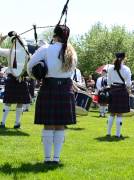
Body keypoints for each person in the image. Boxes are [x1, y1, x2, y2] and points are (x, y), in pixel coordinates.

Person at [27, 25, 77, 164]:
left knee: (48, 124)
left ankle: (47, 158)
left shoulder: (46, 49)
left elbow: (29, 66)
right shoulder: (72, 51)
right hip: (66, 89)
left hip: (49, 87)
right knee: (60, 124)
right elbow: (71, 72)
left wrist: (37, 76)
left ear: (55, 35)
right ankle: (56, 159)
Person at [0, 34, 31, 129]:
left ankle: (17, 123)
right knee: (8, 102)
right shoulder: (9, 52)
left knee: (20, 102)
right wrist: (1, 40)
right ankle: (2, 122)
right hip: (12, 78)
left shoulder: (26, 54)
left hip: (21, 79)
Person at [106, 52, 131, 138]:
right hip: (122, 91)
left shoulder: (110, 69)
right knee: (119, 113)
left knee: (112, 113)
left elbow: (108, 82)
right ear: (124, 58)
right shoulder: (126, 69)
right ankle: (118, 134)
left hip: (113, 90)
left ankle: (108, 133)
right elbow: (128, 84)